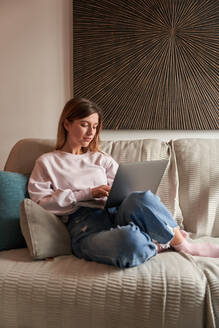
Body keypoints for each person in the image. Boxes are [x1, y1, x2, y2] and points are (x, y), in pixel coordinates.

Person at [28, 97, 219, 268]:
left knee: (140, 197)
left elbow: (125, 187)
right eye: (84, 124)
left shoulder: (100, 158)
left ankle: (184, 246)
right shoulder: (47, 162)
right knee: (130, 242)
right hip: (85, 226)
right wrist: (88, 193)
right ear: (67, 124)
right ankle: (156, 243)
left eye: (95, 126)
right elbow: (41, 204)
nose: (91, 133)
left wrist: (117, 192)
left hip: (115, 213)